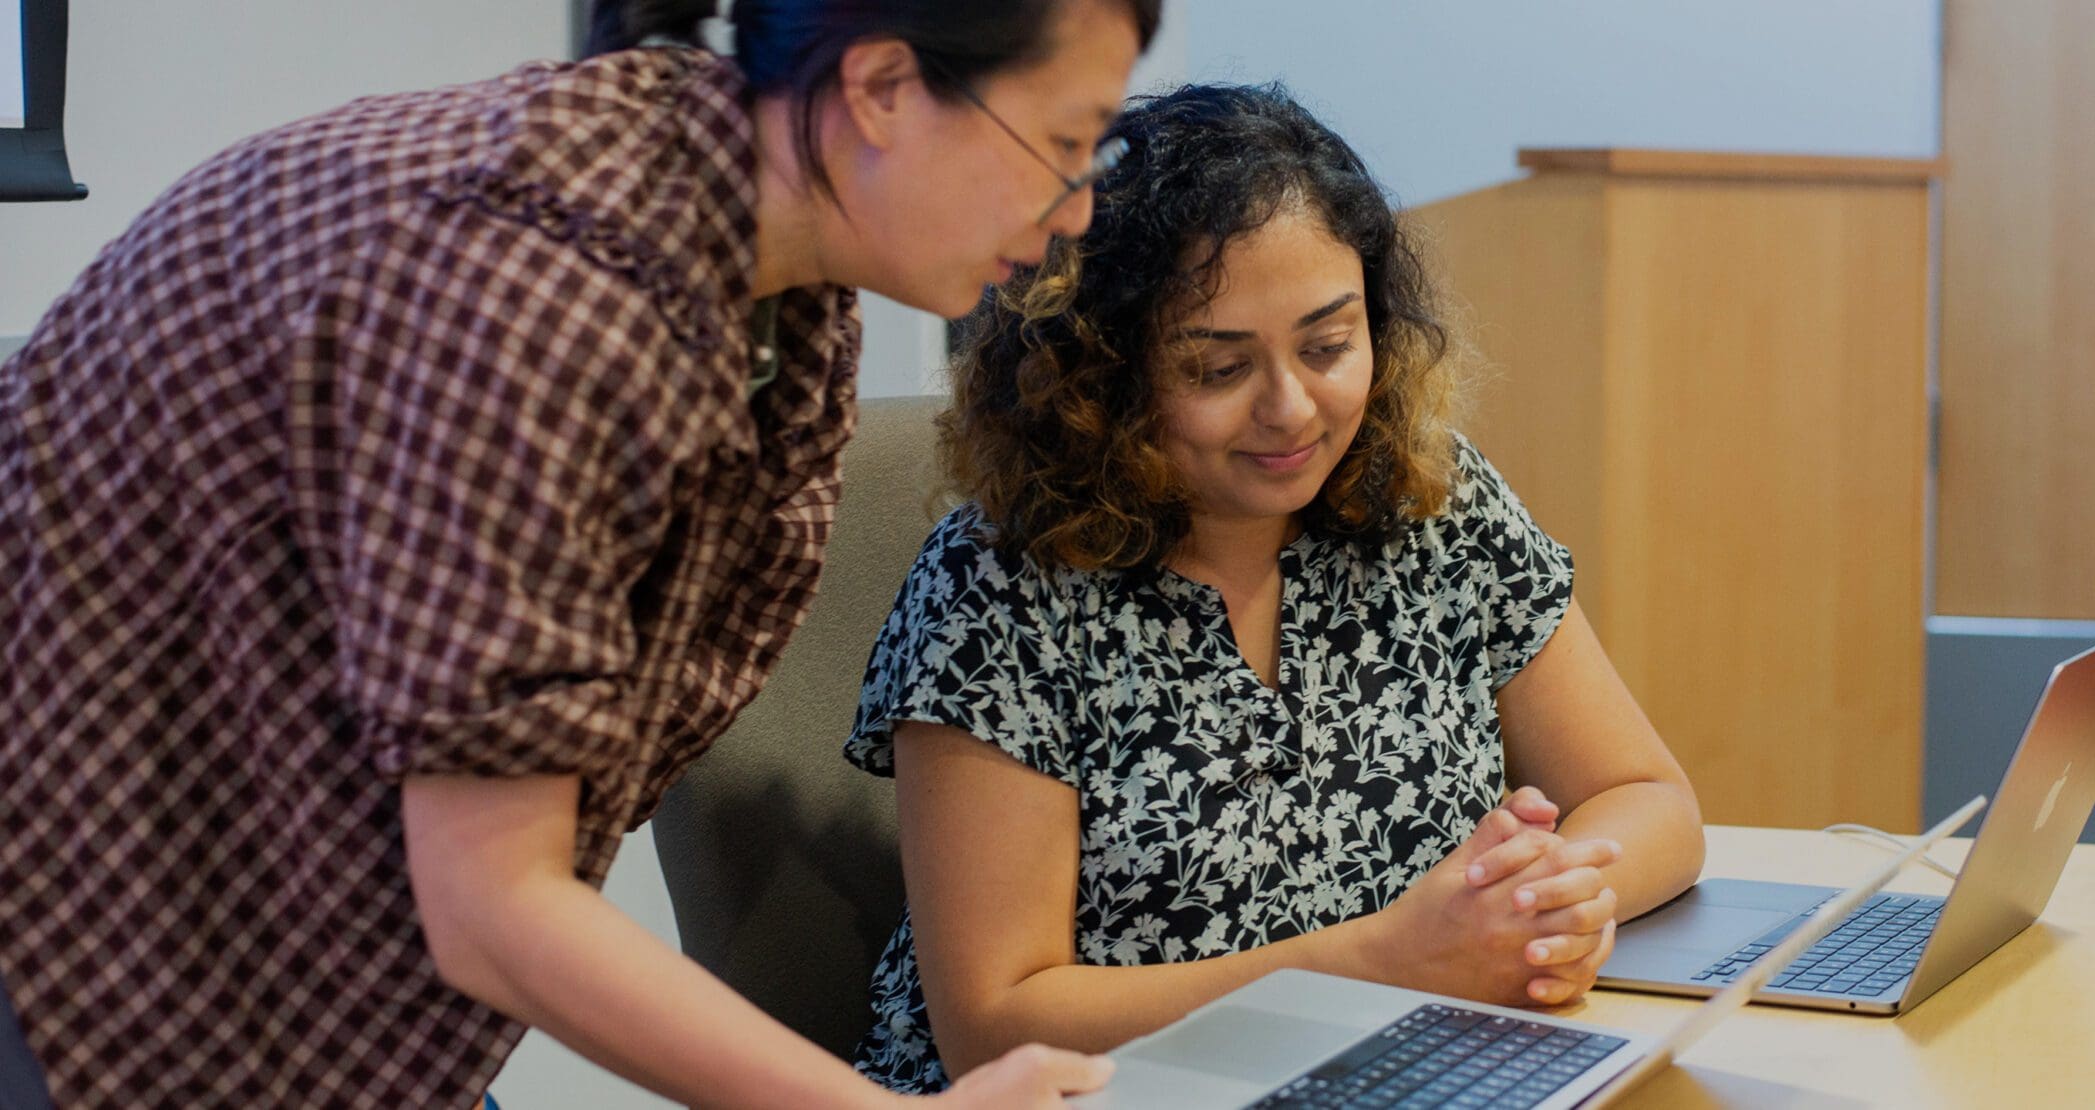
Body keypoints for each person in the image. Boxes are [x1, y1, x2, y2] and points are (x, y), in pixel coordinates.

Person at [0, 1, 1159, 1106]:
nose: (1073, 211)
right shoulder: (548, 302)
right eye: (1062, 145)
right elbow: (495, 905)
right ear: (882, 89)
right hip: (72, 911)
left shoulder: (760, 260)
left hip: (273, 908)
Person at [844, 82, 1708, 1092]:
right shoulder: (1002, 584)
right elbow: (997, 1024)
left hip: (1393, 1073)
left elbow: (1649, 801)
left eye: (1329, 344)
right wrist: (1379, 962)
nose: (1292, 409)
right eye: (1217, 370)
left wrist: (1553, 893)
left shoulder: (1432, 500)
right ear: (1097, 379)